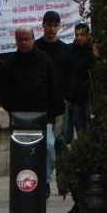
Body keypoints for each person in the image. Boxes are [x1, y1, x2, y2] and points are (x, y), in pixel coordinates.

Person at [0, 25, 63, 194]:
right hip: (20, 116)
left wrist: (57, 112)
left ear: (33, 39)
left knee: (48, 147)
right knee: (23, 152)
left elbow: (54, 86)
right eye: (19, 39)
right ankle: (25, 181)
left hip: (44, 115)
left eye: (26, 39)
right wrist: (12, 107)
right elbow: (3, 89)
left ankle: (46, 181)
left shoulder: (44, 60)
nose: (23, 42)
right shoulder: (9, 63)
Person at [33, 10, 72, 183]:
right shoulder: (36, 48)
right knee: (42, 144)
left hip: (60, 103)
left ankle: (63, 178)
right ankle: (44, 178)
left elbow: (70, 75)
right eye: (49, 25)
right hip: (40, 103)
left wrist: (67, 98)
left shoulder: (64, 49)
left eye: (55, 25)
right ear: (43, 25)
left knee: (60, 141)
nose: (52, 29)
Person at [64, 22, 97, 141]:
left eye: (82, 35)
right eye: (77, 35)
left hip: (89, 96)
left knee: (86, 128)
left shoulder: (91, 50)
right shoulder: (70, 51)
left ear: (87, 35)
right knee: (74, 130)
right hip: (75, 97)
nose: (79, 37)